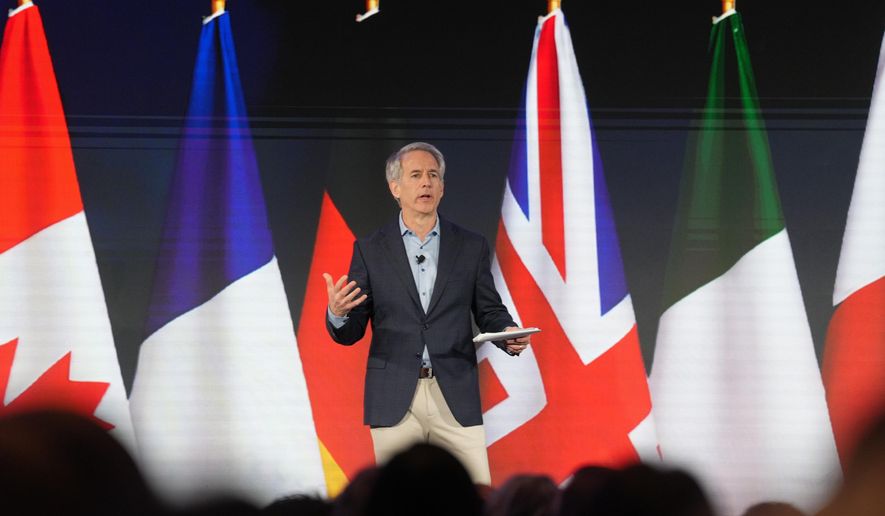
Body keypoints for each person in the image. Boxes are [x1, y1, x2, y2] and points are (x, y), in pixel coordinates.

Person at [323, 141, 530, 485]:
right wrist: (338, 313)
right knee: (398, 501)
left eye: (433, 175)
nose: (426, 183)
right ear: (395, 187)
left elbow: (489, 310)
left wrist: (508, 334)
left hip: (454, 391)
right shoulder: (371, 249)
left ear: (442, 187)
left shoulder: (470, 246)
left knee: (472, 494)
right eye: (416, 175)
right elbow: (352, 330)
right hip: (394, 396)